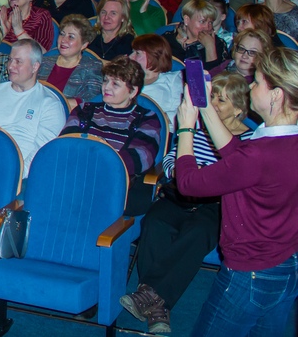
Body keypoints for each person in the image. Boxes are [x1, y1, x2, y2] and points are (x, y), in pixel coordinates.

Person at [174, 46, 298, 337]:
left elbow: (188, 183)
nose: (250, 85)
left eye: (257, 82)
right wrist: (205, 107)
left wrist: (186, 129)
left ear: (277, 95)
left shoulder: (260, 154)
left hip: (250, 273)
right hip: (284, 264)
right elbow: (239, 157)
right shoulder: (280, 143)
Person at [123, 71, 252, 334]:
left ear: (239, 109)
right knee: (156, 222)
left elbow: (237, 178)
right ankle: (158, 306)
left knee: (199, 231)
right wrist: (180, 173)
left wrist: (204, 174)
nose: (212, 105)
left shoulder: (249, 140)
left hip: (218, 204)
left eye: (222, 101)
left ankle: (148, 294)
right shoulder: (195, 127)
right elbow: (171, 158)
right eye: (212, 97)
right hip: (181, 192)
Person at [60, 56, 163, 212]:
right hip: (77, 175)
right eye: (105, 81)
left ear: (133, 91)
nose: (106, 88)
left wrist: (100, 166)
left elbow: (142, 156)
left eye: (115, 84)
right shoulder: (85, 110)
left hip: (117, 182)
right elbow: (66, 142)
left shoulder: (147, 118)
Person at [0, 39, 68, 178]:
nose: (11, 66)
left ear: (35, 67)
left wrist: (15, 174)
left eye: (18, 61)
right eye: (10, 60)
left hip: (23, 174)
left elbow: (42, 152)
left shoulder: (50, 104)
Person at [39, 14, 104, 108]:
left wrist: (53, 104)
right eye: (62, 34)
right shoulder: (45, 62)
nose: (63, 40)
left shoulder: (92, 67)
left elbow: (89, 99)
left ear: (84, 44)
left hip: (68, 116)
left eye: (71, 37)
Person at [130, 32, 183, 121]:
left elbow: (181, 112)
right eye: (132, 52)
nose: (131, 57)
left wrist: (161, 118)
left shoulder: (173, 80)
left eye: (137, 53)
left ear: (153, 56)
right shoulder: (126, 78)